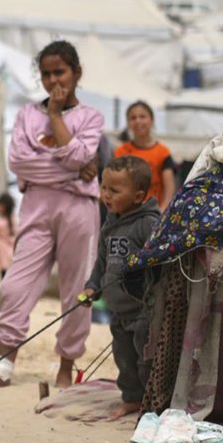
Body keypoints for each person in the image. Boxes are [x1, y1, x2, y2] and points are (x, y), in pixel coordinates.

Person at [0, 40, 103, 390]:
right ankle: (3, 366)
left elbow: (78, 156)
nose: (54, 79)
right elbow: (19, 163)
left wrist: (56, 118)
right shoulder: (26, 115)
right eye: (46, 73)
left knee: (78, 290)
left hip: (79, 211)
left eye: (60, 72)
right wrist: (72, 169)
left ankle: (66, 367)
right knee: (14, 285)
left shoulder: (91, 117)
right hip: (37, 207)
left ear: (76, 73)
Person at [80, 156, 162, 420]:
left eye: (114, 190)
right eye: (104, 187)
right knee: (123, 359)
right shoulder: (110, 223)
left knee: (145, 359)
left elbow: (160, 262)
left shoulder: (147, 224)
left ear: (138, 196)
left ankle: (153, 403)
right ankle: (132, 399)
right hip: (118, 311)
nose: (105, 195)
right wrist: (93, 286)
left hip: (143, 311)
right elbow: (102, 261)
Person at [113, 101, 176, 211]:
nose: (138, 121)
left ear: (152, 120)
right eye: (133, 118)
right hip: (126, 214)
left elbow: (169, 188)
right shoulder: (120, 152)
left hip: (153, 213)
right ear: (128, 123)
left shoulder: (163, 152)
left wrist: (162, 212)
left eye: (142, 116)